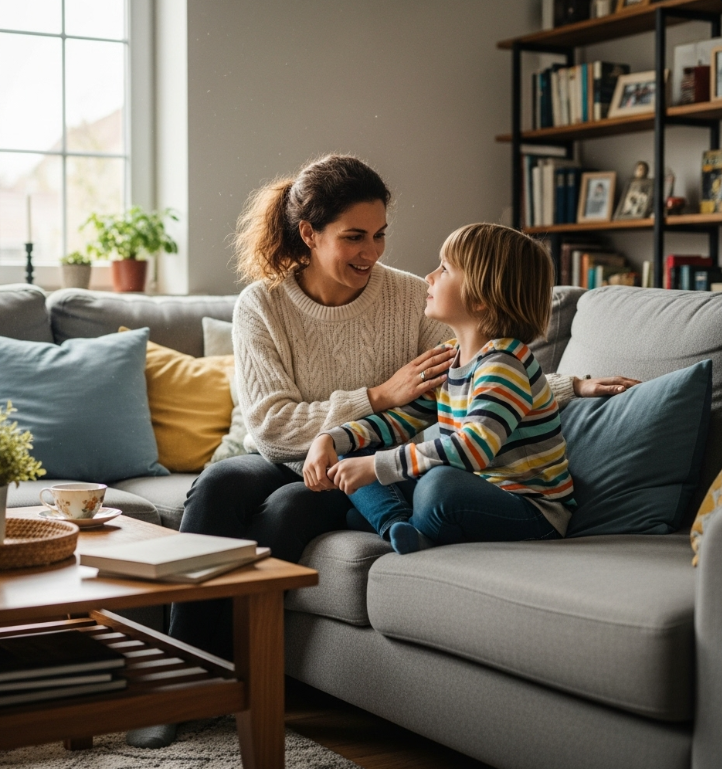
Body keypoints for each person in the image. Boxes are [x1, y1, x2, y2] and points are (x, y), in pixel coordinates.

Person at [127, 155, 638, 748]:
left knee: (290, 511)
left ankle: (226, 682)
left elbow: (476, 374)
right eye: (353, 238)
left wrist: (572, 384)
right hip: (283, 451)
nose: (371, 252)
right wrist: (373, 397)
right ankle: (174, 683)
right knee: (217, 485)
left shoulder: (407, 297)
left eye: (379, 234)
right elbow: (270, 428)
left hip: (362, 466)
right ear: (309, 234)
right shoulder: (261, 306)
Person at [305, 222, 574, 554]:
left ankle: (397, 521)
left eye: (444, 269)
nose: (429, 277)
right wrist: (330, 437)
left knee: (438, 484)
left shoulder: (505, 363)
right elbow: (397, 422)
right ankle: (398, 527)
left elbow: (474, 448)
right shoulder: (451, 358)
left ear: (480, 298)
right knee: (357, 448)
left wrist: (377, 467)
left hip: (530, 511)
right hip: (474, 491)